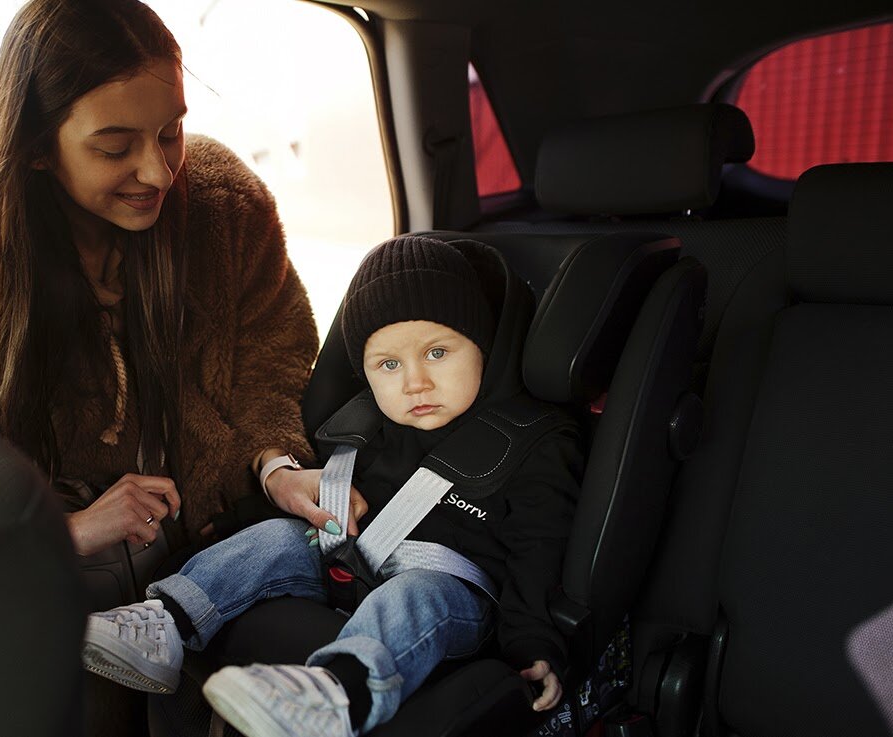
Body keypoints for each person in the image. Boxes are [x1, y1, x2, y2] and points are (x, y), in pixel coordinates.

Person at [0, 0, 356, 733]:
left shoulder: (226, 212)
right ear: (36, 146)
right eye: (115, 145)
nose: (157, 169)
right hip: (47, 589)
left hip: (211, 552)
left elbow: (272, 362)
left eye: (171, 131)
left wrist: (277, 464)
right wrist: (66, 531)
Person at [80, 235, 584, 736]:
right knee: (278, 537)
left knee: (414, 593)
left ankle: (335, 693)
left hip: (451, 594)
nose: (415, 383)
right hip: (349, 560)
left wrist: (534, 644)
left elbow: (539, 553)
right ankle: (165, 624)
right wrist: (233, 521)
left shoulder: (533, 443)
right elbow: (320, 495)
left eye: (437, 352)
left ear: (484, 346)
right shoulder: (367, 422)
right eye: (389, 364)